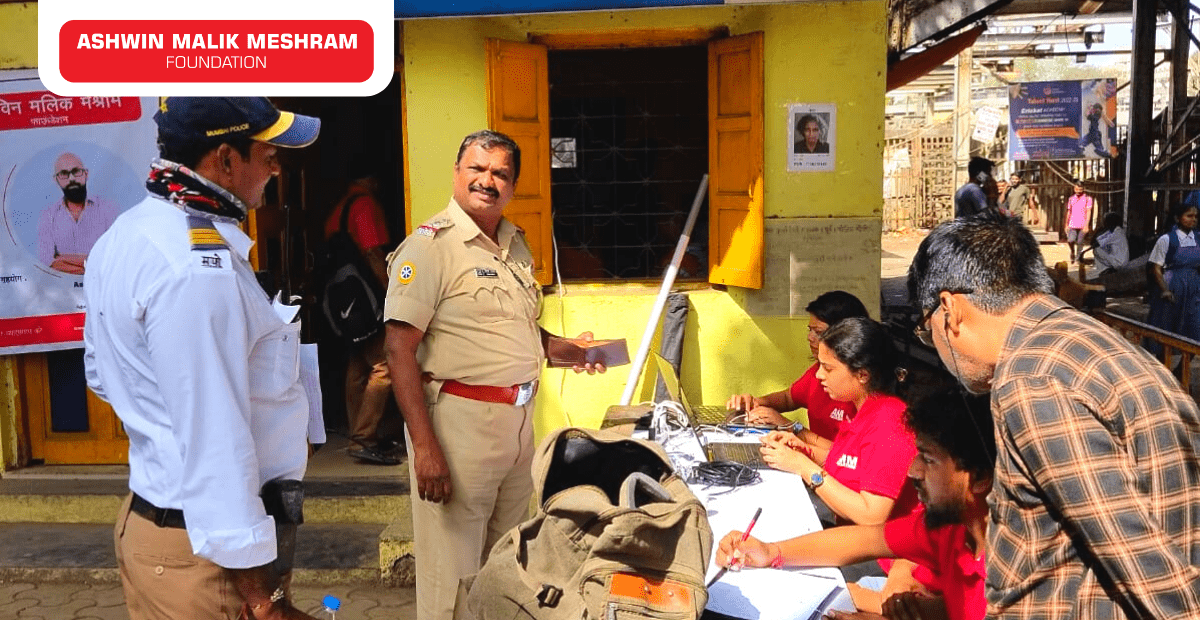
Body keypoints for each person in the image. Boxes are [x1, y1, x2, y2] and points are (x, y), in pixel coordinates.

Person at [83, 97, 323, 620]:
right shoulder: (193, 269)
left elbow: (102, 375)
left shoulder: (129, 234)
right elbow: (217, 442)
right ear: (225, 159)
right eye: (267, 152)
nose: (278, 165)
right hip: (208, 556)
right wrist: (264, 600)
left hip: (176, 532)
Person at [907, 211, 1200, 619]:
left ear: (949, 309)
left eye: (927, 331)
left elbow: (1138, 560)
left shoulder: (1032, 379)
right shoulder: (1086, 342)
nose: (934, 343)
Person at [384, 129, 605, 620]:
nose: (488, 180)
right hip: (459, 428)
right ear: (458, 174)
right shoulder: (430, 247)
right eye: (477, 169)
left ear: (513, 184)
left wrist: (569, 351)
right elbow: (399, 351)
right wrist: (425, 448)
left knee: (500, 571)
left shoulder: (513, 244)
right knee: (452, 581)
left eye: (500, 173)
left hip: (517, 426)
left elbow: (521, 328)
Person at [716, 388, 993, 620]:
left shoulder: (1008, 571)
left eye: (929, 460)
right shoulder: (951, 527)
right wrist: (771, 551)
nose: (913, 471)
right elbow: (866, 540)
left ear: (978, 477)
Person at [757, 317, 918, 528]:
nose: (818, 374)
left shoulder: (890, 423)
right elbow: (850, 464)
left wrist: (804, 466)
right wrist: (803, 450)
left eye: (828, 368)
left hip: (884, 553)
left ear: (862, 374)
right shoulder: (863, 410)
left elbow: (872, 516)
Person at [323, 175, 399, 465]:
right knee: (384, 366)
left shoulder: (338, 209)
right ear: (369, 179)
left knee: (357, 366)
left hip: (346, 301)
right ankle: (364, 438)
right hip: (367, 297)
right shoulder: (364, 204)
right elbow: (372, 250)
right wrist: (392, 293)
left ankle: (358, 432)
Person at [726, 290, 869, 439]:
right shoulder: (818, 371)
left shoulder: (862, 392)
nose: (810, 338)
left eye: (818, 332)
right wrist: (755, 403)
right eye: (810, 330)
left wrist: (792, 427)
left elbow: (848, 458)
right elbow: (789, 397)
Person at [37, 152, 121, 275]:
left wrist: (62, 259)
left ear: (86, 174)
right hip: (63, 290)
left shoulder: (109, 210)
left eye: (76, 171)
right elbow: (49, 263)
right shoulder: (47, 217)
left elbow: (116, 258)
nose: (71, 179)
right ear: (56, 180)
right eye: (64, 174)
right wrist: (93, 265)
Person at [1147, 202, 1200, 342]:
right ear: (1178, 218)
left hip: (1194, 287)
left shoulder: (1199, 238)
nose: (1193, 219)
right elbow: (1156, 268)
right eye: (1189, 216)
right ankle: (1163, 360)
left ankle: (1183, 363)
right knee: (1167, 326)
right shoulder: (1167, 239)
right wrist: (1164, 290)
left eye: (1195, 216)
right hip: (1173, 286)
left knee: (1195, 328)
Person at [1087, 211, 1129, 276]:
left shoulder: (1117, 232)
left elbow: (1096, 243)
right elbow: (1093, 242)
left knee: (1097, 250)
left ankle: (1105, 269)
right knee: (1102, 248)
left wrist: (1100, 229)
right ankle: (1106, 268)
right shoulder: (1112, 231)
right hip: (1118, 260)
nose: (1105, 223)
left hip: (1120, 263)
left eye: (1106, 221)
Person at [1063, 181, 1093, 264]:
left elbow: (1089, 212)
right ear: (1074, 188)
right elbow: (1069, 211)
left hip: (1082, 225)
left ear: (1083, 189)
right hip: (1072, 224)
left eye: (1080, 189)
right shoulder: (1071, 199)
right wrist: (1066, 224)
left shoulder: (1088, 199)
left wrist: (1086, 225)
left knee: (1080, 242)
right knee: (1070, 240)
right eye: (1076, 189)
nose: (1078, 191)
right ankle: (1072, 252)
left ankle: (1077, 259)